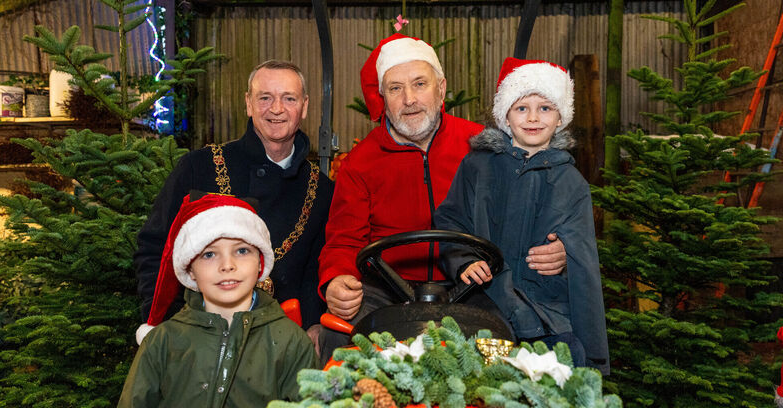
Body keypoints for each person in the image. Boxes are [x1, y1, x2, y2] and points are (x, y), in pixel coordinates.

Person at [318, 35, 567, 359]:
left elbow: (528, 211)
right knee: (339, 332)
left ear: (441, 88)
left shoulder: (481, 145)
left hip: (474, 281)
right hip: (388, 288)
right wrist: (336, 280)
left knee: (518, 328)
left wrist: (557, 249)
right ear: (383, 97)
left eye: (419, 84)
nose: (409, 99)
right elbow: (342, 241)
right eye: (395, 88)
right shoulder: (360, 163)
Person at [134, 60, 333, 350]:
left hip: (283, 345)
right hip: (199, 339)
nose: (276, 109)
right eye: (265, 98)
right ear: (248, 104)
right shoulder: (198, 168)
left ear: (303, 107)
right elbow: (155, 251)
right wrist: (167, 330)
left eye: (288, 98)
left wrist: (315, 324)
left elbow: (317, 269)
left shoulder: (322, 189)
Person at [433, 58, 609, 373]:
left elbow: (584, 262)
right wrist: (464, 260)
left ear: (560, 119)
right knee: (474, 362)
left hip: (545, 308)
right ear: (505, 116)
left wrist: (566, 255)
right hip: (484, 297)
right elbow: (451, 222)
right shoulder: (478, 167)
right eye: (521, 108)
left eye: (545, 108)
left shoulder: (572, 184)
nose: (533, 118)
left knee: (569, 356)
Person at [110, 193, 317, 408]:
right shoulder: (163, 342)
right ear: (190, 269)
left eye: (242, 250)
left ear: (260, 261)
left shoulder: (290, 343)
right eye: (209, 254)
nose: (227, 265)